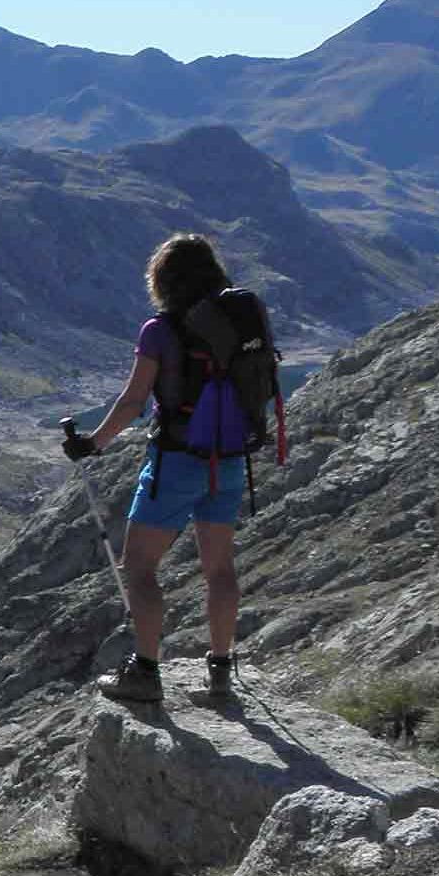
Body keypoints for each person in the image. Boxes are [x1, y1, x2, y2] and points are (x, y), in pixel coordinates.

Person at [61, 233, 264, 705]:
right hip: (229, 459)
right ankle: (220, 669)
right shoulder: (239, 318)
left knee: (139, 567)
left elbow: (134, 402)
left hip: (176, 460)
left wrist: (93, 443)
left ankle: (146, 672)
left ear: (164, 278)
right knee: (220, 568)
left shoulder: (160, 330)